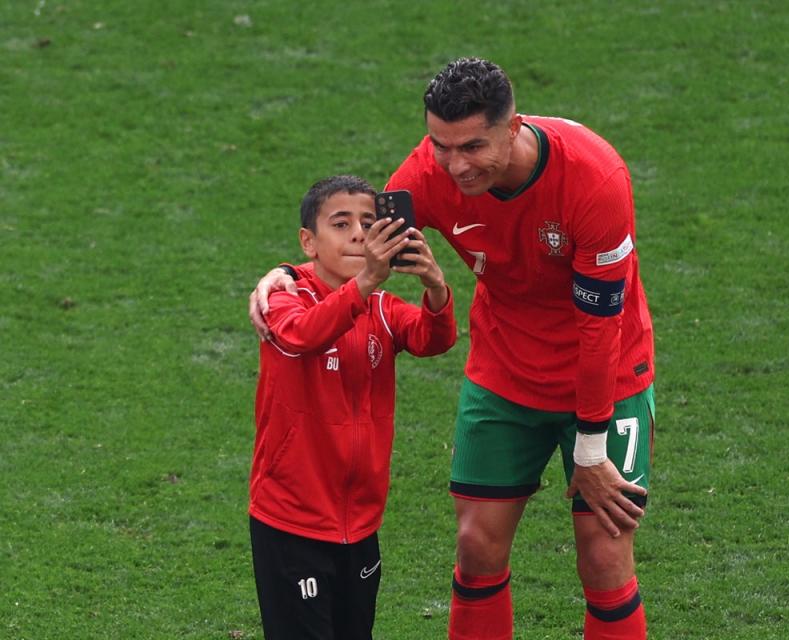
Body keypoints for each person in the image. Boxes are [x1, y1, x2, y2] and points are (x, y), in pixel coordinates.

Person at [250, 58, 656, 640]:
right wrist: (284, 276)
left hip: (608, 378)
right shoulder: (427, 173)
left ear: (513, 127)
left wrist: (591, 448)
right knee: (475, 546)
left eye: (472, 147)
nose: (456, 166)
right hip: (505, 376)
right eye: (441, 146)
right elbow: (358, 238)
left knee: (604, 556)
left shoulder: (594, 178)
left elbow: (600, 328)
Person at [249, 175, 456, 639]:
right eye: (341, 224)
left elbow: (434, 337)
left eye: (368, 221)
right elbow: (303, 334)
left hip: (360, 523)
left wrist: (435, 284)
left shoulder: (382, 307)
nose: (359, 234)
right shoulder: (283, 297)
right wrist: (364, 282)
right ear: (309, 242)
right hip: (292, 523)